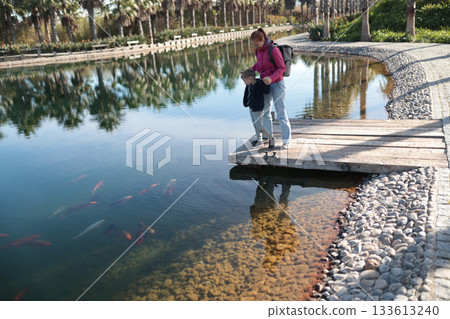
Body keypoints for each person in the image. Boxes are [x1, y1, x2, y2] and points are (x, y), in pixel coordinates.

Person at [241, 27, 291, 149]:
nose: (255, 47)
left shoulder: (273, 50)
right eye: (253, 45)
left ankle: (287, 141)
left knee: (281, 112)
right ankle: (268, 137)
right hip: (264, 84)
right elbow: (259, 64)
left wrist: (271, 78)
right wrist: (250, 70)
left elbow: (282, 68)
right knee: (266, 112)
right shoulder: (258, 51)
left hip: (277, 83)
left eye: (256, 44)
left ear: (263, 39)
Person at [241, 69, 276, 149]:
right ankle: (259, 140)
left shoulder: (259, 84)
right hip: (251, 107)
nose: (245, 83)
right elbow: (247, 95)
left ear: (250, 79)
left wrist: (266, 82)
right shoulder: (249, 85)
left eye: (245, 81)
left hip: (258, 109)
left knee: (259, 126)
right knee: (255, 126)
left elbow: (266, 91)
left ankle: (271, 138)